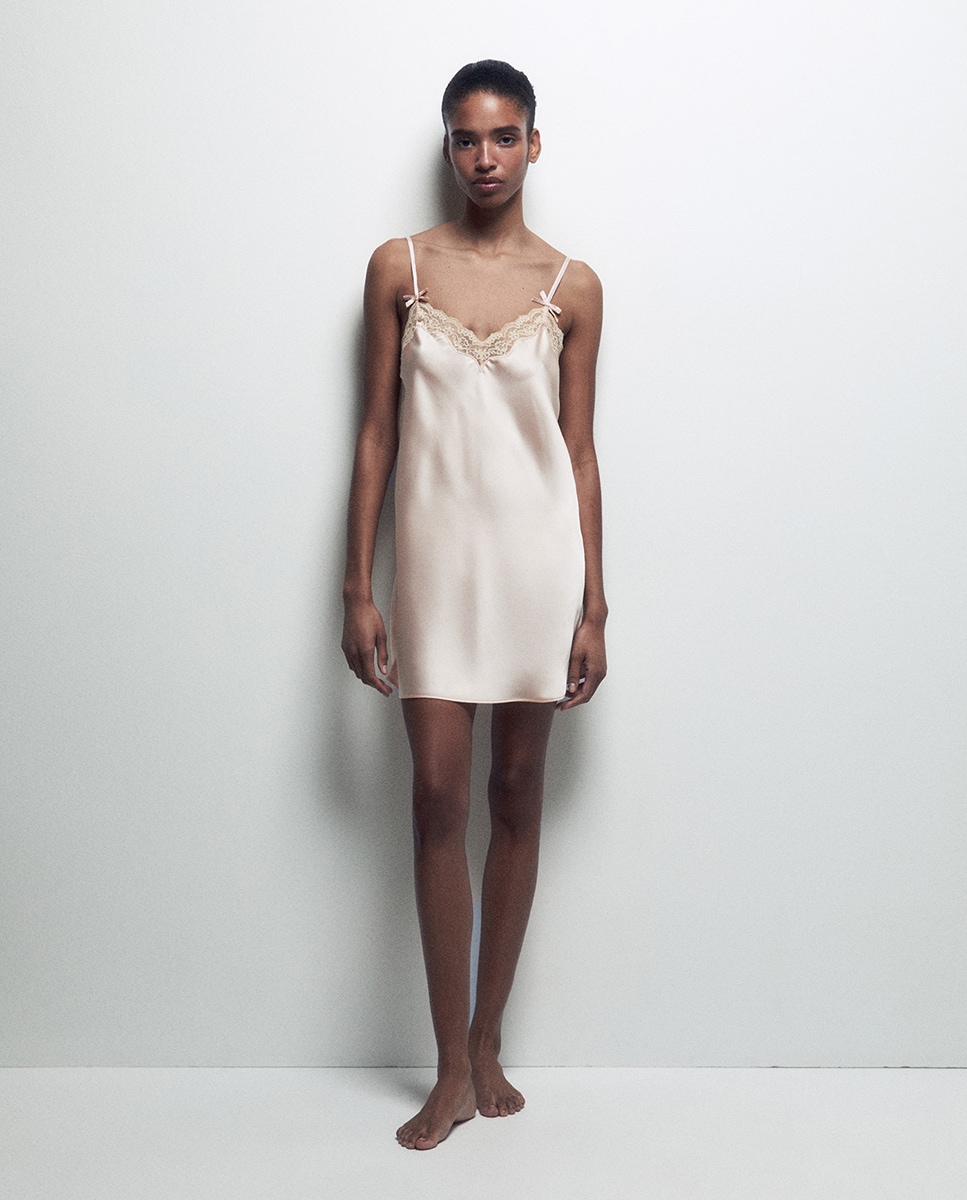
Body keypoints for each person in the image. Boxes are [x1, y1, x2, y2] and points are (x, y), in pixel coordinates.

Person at [341, 59, 607, 1150]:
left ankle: (488, 1041)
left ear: (534, 143)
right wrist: (356, 587)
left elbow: (578, 452)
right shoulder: (398, 267)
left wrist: (594, 607)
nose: (484, 157)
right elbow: (375, 435)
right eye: (465, 138)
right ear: (446, 146)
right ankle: (448, 1066)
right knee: (436, 798)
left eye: (503, 137)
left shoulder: (572, 285)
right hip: (437, 569)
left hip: (538, 568)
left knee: (514, 792)